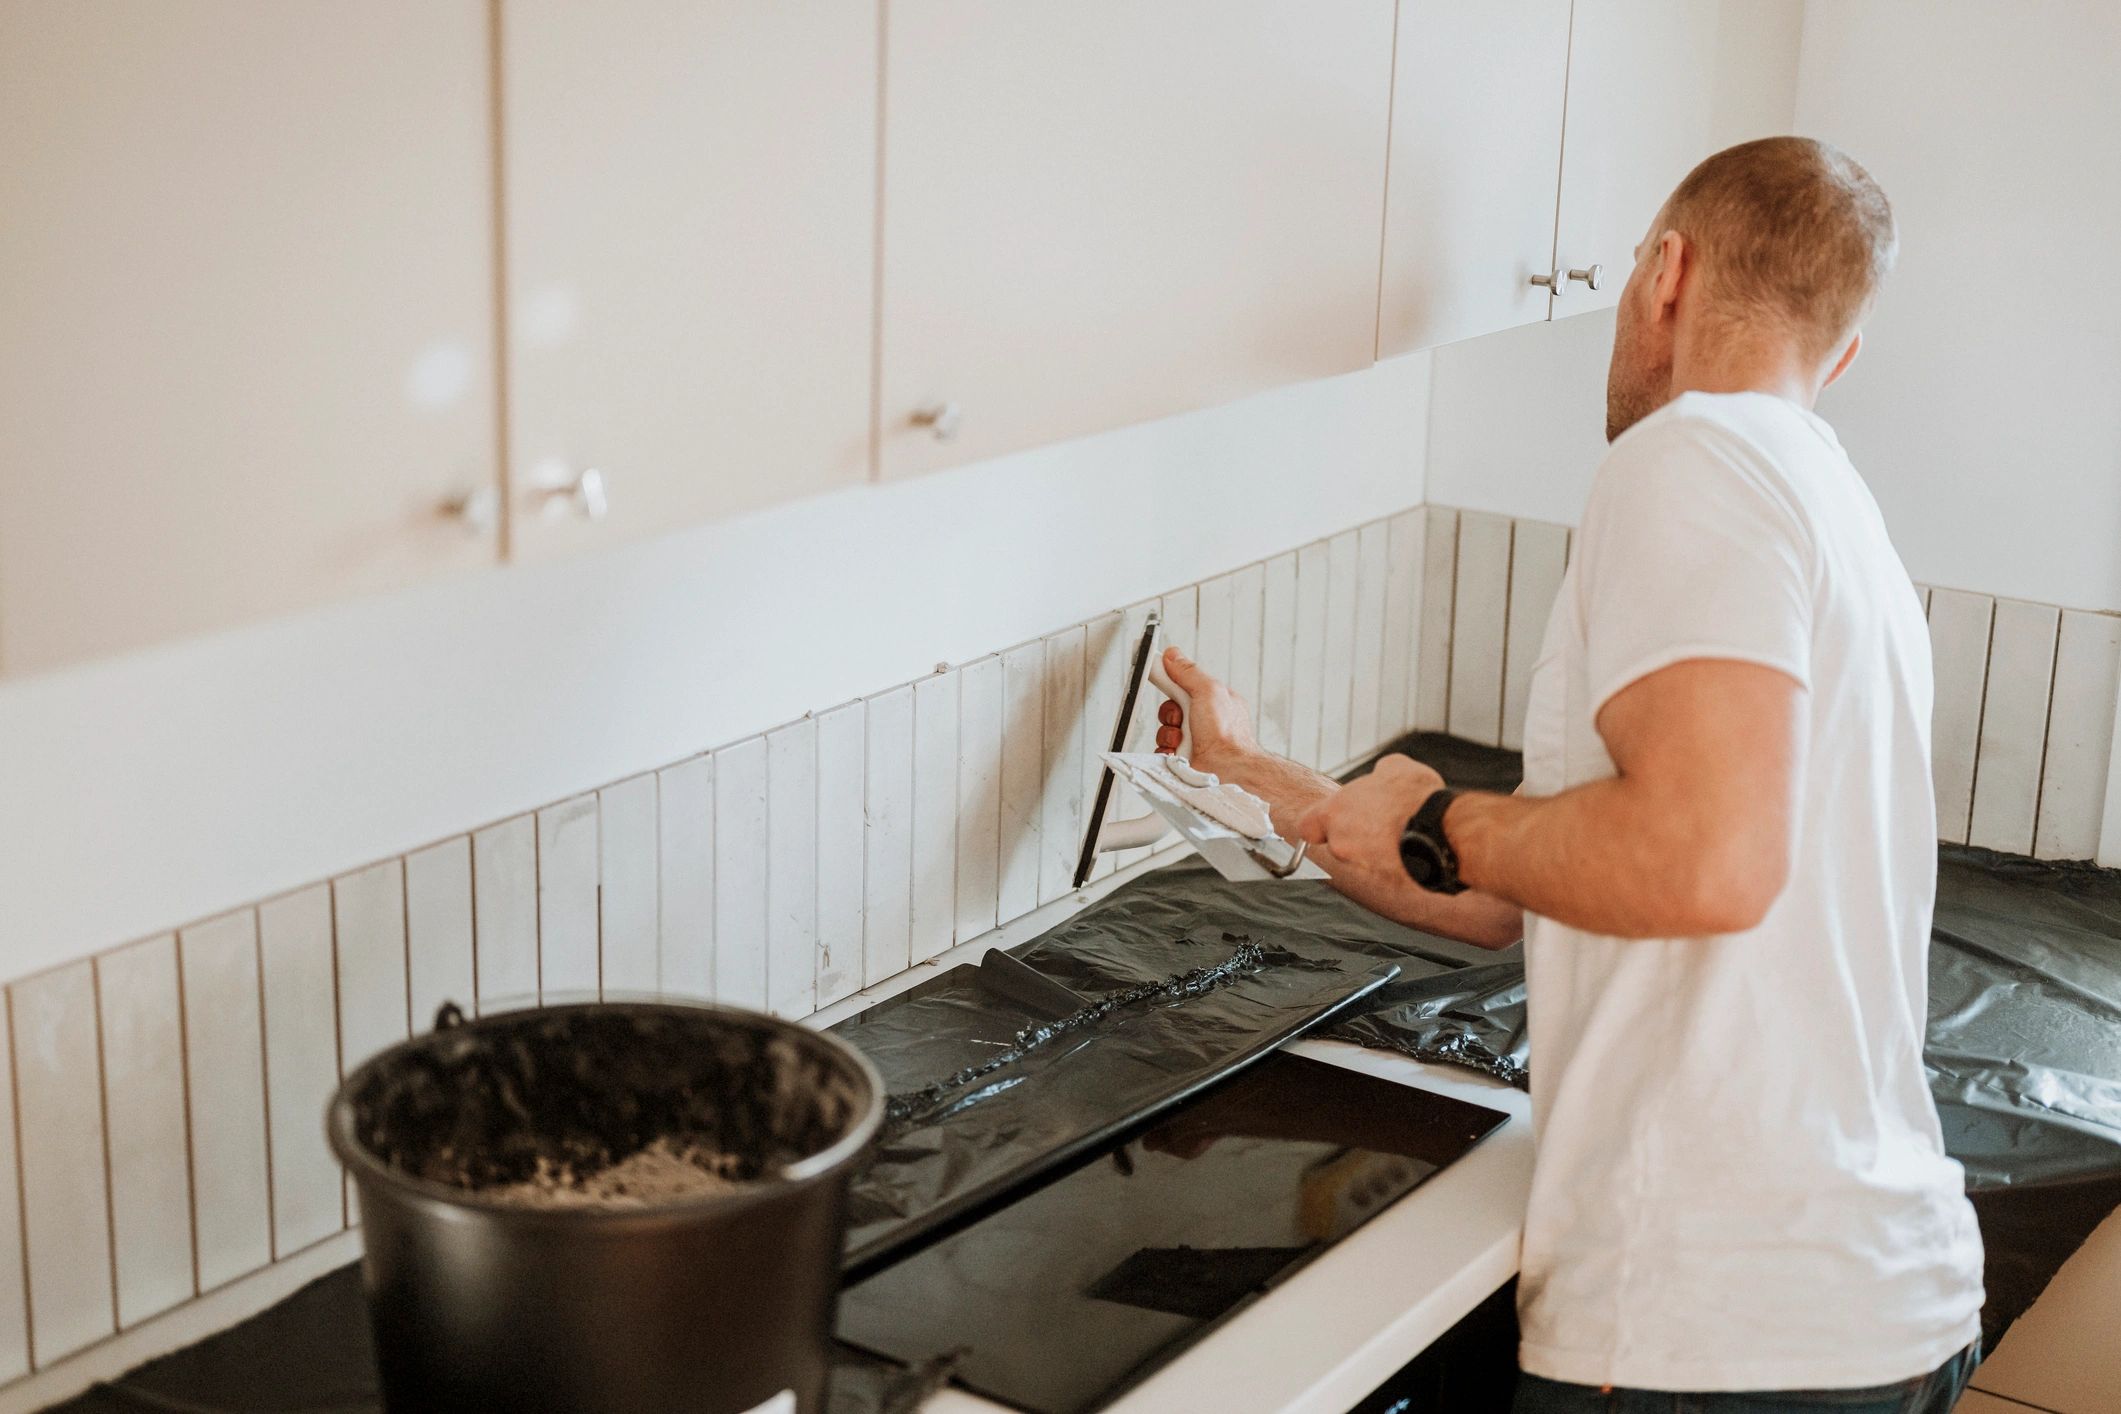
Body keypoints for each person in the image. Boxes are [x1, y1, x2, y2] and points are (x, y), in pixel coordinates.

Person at [1156, 137, 1984, 1412]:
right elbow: (1540, 883)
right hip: (1861, 1306)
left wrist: (1440, 815)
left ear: (1666, 274)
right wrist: (1252, 774)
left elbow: (1703, 858)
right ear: (1842, 355)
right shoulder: (1840, 514)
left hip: (1713, 1331)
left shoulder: (1690, 458)